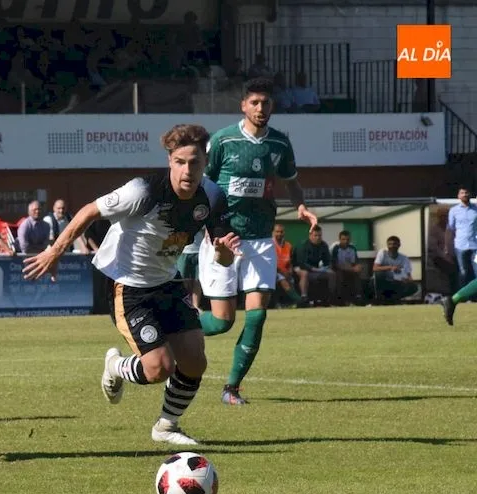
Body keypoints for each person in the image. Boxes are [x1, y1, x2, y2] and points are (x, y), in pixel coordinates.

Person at [22, 124, 239, 445]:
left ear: (204, 163)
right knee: (158, 369)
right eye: (180, 161)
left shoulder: (212, 196)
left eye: (194, 162)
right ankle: (115, 365)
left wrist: (222, 254)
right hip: (128, 286)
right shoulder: (143, 191)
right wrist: (55, 251)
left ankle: (166, 426)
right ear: (169, 161)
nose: (187, 170)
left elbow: (224, 257)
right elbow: (87, 212)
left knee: (195, 360)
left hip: (167, 282)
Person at [197, 77, 318, 405]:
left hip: (261, 238)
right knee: (221, 322)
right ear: (243, 105)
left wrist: (302, 207)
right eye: (255, 103)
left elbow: (291, 182)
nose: (261, 108)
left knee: (258, 315)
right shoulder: (223, 140)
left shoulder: (279, 144)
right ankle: (173, 327)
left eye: (266, 103)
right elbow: (202, 186)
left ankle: (231, 388)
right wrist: (207, 226)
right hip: (223, 237)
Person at [446, 187, 477, 292]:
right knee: (463, 272)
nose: (465, 194)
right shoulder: (454, 210)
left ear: (470, 194)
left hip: (475, 246)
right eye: (462, 193)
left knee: (476, 272)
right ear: (458, 196)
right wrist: (447, 247)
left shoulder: (476, 209)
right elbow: (450, 229)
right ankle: (462, 297)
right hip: (460, 246)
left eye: (466, 192)